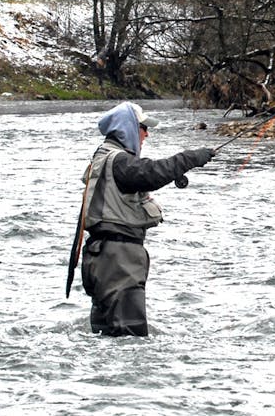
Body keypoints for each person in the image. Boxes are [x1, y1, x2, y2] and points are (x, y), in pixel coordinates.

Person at [75, 101, 216, 337]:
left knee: (106, 334)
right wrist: (191, 158)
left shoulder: (103, 157)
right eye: (143, 128)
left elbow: (142, 174)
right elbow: (149, 174)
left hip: (101, 258)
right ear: (127, 128)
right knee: (130, 337)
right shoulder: (119, 161)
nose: (147, 134)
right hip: (118, 260)